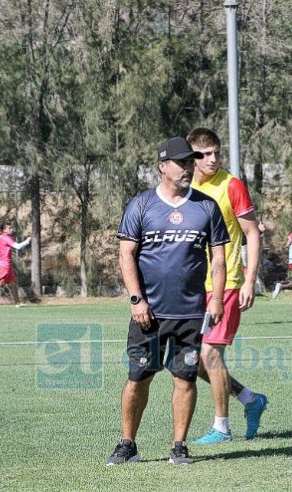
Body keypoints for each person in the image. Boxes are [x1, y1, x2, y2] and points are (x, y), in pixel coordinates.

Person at [107, 136, 229, 466]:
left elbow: (218, 258)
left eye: (191, 161)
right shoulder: (141, 205)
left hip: (190, 312)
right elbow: (126, 254)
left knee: (185, 379)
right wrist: (136, 300)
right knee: (138, 378)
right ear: (163, 167)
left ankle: (179, 446)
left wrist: (216, 298)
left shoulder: (206, 206)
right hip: (149, 312)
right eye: (181, 162)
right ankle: (128, 444)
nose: (188, 167)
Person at [187, 127, 268, 444]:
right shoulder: (185, 186)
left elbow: (252, 233)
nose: (213, 159)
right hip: (192, 288)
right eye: (205, 154)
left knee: (209, 355)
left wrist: (250, 280)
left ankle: (221, 427)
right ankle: (250, 399)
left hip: (228, 283)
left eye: (217, 152)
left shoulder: (231, 185)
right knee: (188, 361)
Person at [0, 222, 31, 306]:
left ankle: (17, 303)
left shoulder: (1, 237)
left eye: (11, 228)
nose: (11, 229)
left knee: (13, 282)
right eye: (9, 228)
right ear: (4, 230)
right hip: (4, 264)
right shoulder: (6, 238)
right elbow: (17, 247)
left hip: (5, 264)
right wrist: (27, 241)